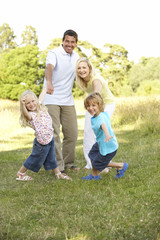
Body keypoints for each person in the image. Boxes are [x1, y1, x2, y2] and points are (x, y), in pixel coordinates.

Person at [43, 30, 80, 173]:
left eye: (72, 42)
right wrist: (49, 83)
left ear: (76, 43)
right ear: (63, 41)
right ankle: (57, 166)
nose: (69, 44)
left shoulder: (76, 56)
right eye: (67, 41)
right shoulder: (54, 53)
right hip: (52, 97)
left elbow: (80, 74)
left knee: (72, 133)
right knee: (54, 133)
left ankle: (68, 162)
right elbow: (49, 68)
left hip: (68, 100)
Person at [16, 89, 72, 181]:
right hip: (42, 142)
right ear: (25, 105)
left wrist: (45, 89)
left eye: (33, 101)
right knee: (35, 158)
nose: (31, 104)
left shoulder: (41, 107)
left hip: (50, 138)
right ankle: (21, 173)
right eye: (28, 103)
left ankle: (58, 174)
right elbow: (25, 115)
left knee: (52, 157)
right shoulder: (31, 115)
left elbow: (41, 97)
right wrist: (22, 104)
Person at [75, 57, 115, 171]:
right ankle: (90, 163)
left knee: (100, 132)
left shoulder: (95, 80)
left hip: (106, 104)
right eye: (79, 68)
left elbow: (96, 93)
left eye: (84, 67)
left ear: (89, 68)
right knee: (88, 132)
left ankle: (104, 162)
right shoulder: (83, 80)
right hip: (93, 105)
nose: (81, 70)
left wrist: (93, 110)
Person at [82, 92, 128, 180]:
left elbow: (103, 125)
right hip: (101, 143)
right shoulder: (102, 114)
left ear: (100, 105)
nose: (90, 108)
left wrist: (107, 135)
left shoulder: (100, 118)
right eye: (88, 105)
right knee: (92, 154)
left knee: (98, 163)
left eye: (93, 105)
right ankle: (95, 175)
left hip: (108, 145)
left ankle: (121, 166)